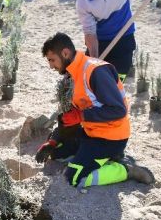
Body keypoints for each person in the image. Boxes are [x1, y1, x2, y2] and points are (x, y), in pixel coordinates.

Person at [36, 32, 154, 188]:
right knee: (55, 153)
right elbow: (69, 118)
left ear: (65, 53)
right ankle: (106, 158)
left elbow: (118, 110)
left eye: (52, 60)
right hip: (90, 133)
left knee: (74, 178)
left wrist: (81, 115)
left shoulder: (95, 71)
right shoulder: (71, 75)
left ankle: (127, 170)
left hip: (110, 139)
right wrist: (53, 141)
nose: (51, 66)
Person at [73, 0, 161, 81]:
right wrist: (95, 60)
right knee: (90, 80)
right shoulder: (83, 2)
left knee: (116, 81)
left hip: (124, 38)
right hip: (101, 41)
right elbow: (90, 33)